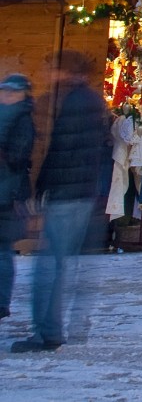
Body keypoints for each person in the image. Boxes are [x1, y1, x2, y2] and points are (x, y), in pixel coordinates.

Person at [15, 51, 109, 353]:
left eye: (52, 68)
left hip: (66, 193)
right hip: (83, 191)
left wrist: (41, 188)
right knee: (63, 263)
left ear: (65, 71)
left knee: (50, 266)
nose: (48, 73)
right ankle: (59, 327)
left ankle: (47, 331)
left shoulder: (71, 102)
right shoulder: (90, 100)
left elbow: (61, 149)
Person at [0, 74, 34, 321]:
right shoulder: (6, 117)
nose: (7, 95)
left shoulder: (22, 121)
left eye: (13, 91)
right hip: (6, 191)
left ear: (22, 94)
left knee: (2, 251)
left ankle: (1, 303)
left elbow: (17, 158)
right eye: (5, 91)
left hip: (8, 195)